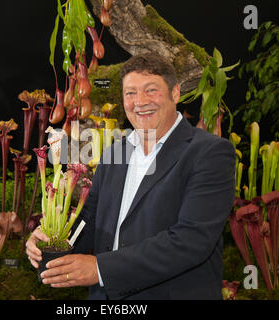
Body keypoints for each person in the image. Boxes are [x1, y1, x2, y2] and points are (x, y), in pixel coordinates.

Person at [26, 53, 236, 300]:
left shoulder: (209, 152)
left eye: (151, 90)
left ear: (175, 93)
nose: (140, 102)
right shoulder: (115, 152)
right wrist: (54, 239)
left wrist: (100, 269)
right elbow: (90, 219)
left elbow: (191, 241)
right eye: (130, 93)